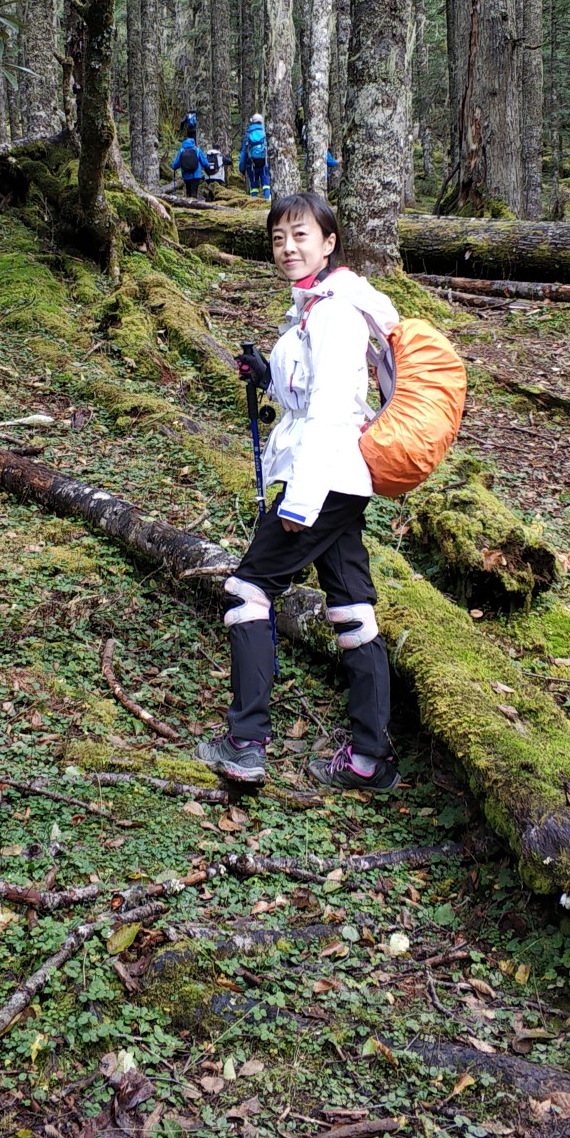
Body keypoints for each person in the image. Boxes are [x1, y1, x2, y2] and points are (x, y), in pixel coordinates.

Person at [197, 190, 400, 794]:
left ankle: (244, 744)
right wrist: (267, 377)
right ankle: (368, 759)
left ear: (329, 241)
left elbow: (336, 409)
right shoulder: (313, 306)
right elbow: (308, 397)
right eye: (279, 237)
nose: (288, 247)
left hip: (326, 478)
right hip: (342, 481)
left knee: (248, 590)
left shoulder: (334, 310)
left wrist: (300, 501)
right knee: (352, 605)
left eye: (301, 235)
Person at [172, 129, 208, 199]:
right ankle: (194, 204)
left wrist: (173, 166)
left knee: (188, 191)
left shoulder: (182, 150)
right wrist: (208, 165)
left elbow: (177, 163)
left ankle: (189, 204)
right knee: (194, 191)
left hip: (186, 174)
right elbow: (204, 163)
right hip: (196, 175)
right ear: (193, 142)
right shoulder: (197, 150)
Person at [239, 114, 268, 196]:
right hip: (265, 162)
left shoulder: (248, 134)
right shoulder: (265, 132)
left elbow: (244, 152)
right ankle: (268, 203)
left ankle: (253, 201)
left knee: (254, 186)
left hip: (251, 164)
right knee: (266, 185)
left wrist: (242, 169)